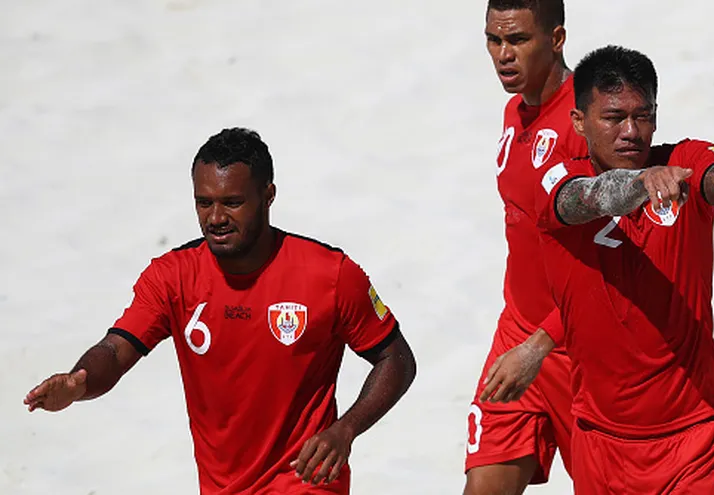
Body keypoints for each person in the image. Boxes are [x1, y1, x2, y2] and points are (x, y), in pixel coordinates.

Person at [23, 127, 417, 495]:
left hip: (305, 480)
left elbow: (396, 359)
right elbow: (115, 350)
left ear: (268, 195)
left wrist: (345, 430)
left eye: (232, 203)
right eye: (204, 203)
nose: (215, 218)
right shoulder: (173, 277)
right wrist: (78, 382)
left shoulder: (329, 274)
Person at [532, 45, 714, 493]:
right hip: (601, 444)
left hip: (696, 440)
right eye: (614, 118)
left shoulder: (684, 161)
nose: (631, 131)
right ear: (579, 121)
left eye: (643, 116)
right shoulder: (558, 180)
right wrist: (639, 183)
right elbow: (591, 197)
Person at [465, 1, 585, 493]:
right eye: (494, 40)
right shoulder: (514, 111)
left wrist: (542, 344)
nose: (503, 55)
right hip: (516, 332)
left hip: (581, 348)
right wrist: (526, 341)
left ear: (556, 39)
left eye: (517, 40)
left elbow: (616, 258)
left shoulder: (589, 121)